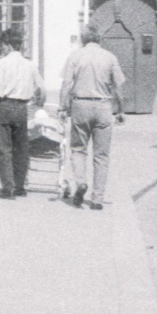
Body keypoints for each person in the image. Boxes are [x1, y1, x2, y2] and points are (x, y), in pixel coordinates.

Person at [59, 23, 126, 210]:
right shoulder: (110, 57)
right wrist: (121, 110)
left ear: (83, 39)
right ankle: (97, 199)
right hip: (104, 106)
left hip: (80, 104)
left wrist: (62, 108)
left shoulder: (75, 56)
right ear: (99, 39)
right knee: (101, 155)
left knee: (79, 149)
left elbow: (66, 84)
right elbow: (118, 88)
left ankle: (80, 182)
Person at [0, 27, 39, 198]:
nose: (1, 49)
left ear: (8, 45)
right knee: (21, 148)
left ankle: (7, 188)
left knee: (3, 148)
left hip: (4, 105)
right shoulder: (30, 64)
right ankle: (20, 186)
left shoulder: (1, 64)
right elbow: (41, 87)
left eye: (3, 45)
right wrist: (37, 102)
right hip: (21, 108)